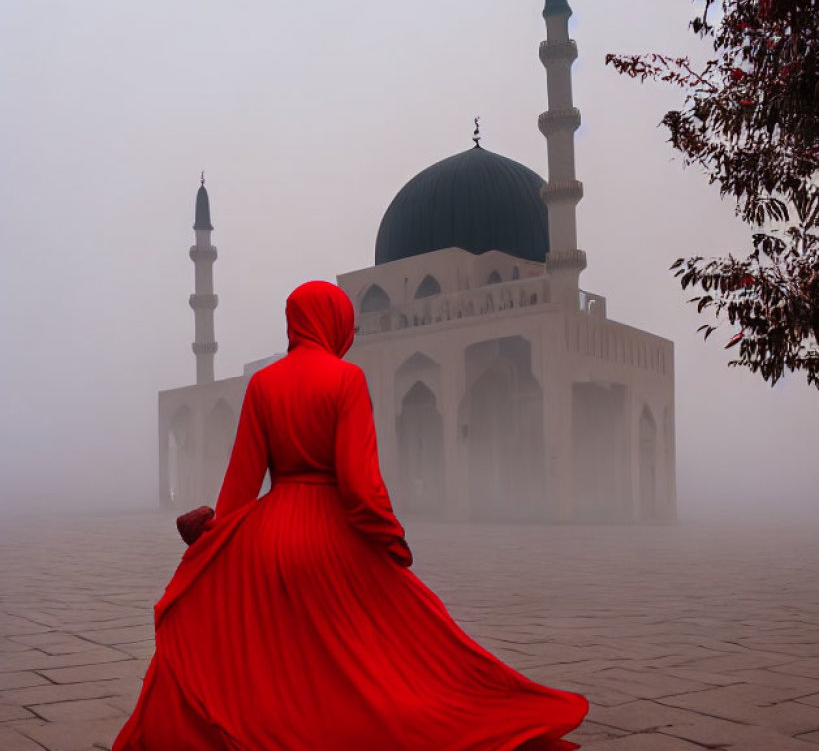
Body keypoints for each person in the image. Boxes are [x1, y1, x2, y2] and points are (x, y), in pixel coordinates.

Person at [112, 280, 589, 751]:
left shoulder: (263, 384)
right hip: (330, 534)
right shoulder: (346, 379)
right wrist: (389, 537)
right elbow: (359, 486)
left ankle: (281, 725)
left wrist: (214, 539)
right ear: (336, 322)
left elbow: (240, 484)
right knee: (389, 646)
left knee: (287, 653)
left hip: (267, 535)